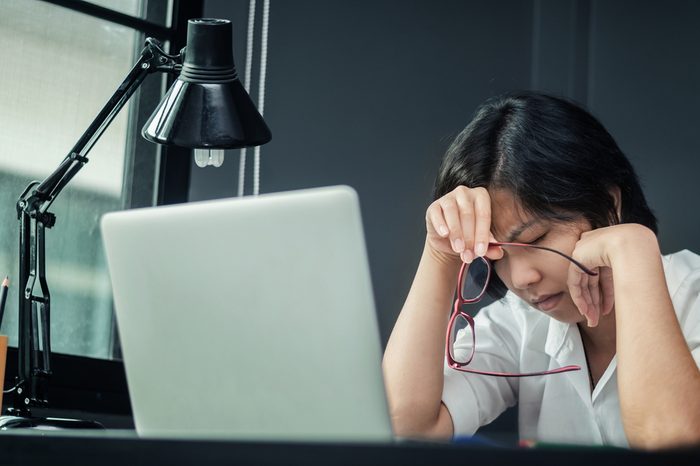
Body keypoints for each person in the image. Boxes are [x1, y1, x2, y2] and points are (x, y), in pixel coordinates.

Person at [382, 91, 700, 449]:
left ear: (610, 203)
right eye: (496, 255)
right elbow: (407, 425)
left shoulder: (693, 295)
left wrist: (634, 248)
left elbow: (672, 442)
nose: (520, 279)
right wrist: (440, 253)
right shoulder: (519, 321)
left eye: (536, 238)